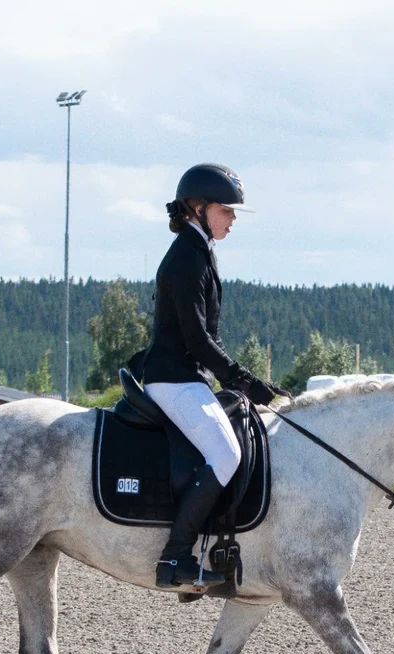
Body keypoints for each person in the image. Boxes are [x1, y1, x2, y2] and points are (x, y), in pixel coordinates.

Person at [136, 163, 284, 588]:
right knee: (226, 454)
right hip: (173, 377)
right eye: (227, 210)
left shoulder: (198, 249)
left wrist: (243, 381)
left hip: (187, 376)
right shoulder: (186, 255)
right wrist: (244, 380)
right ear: (198, 208)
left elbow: (205, 339)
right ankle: (175, 556)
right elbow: (197, 338)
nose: (233, 219)